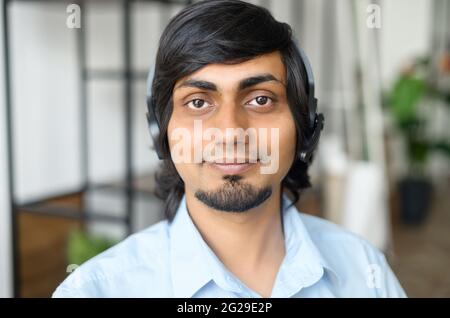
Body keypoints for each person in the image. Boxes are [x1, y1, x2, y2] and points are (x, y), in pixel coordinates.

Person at [53, 0, 406, 298]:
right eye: (197, 102)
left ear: (304, 124)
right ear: (162, 130)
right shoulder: (93, 290)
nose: (231, 131)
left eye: (261, 99)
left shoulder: (365, 269)